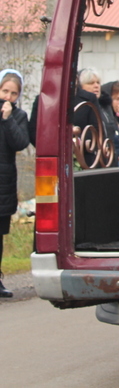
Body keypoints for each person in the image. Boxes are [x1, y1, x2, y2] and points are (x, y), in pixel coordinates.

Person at [0, 69, 31, 298]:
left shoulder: (18, 116)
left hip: (4, 183)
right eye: (5, 91)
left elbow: (20, 143)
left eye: (13, 93)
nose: (8, 96)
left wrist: (8, 119)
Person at [72, 68, 113, 168]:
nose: (96, 86)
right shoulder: (83, 103)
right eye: (91, 83)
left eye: (98, 82)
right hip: (87, 157)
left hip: (107, 157)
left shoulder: (107, 106)